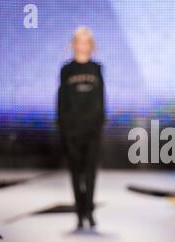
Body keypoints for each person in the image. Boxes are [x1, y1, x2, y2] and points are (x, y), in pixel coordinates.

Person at [57, 27, 105, 229]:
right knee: (76, 173)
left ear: (91, 45)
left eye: (87, 41)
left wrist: (100, 122)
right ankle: (79, 212)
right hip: (72, 129)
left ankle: (90, 211)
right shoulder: (66, 69)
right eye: (79, 41)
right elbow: (61, 99)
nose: (83, 45)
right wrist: (63, 125)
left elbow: (101, 98)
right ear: (74, 44)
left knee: (91, 172)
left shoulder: (97, 68)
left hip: (92, 129)